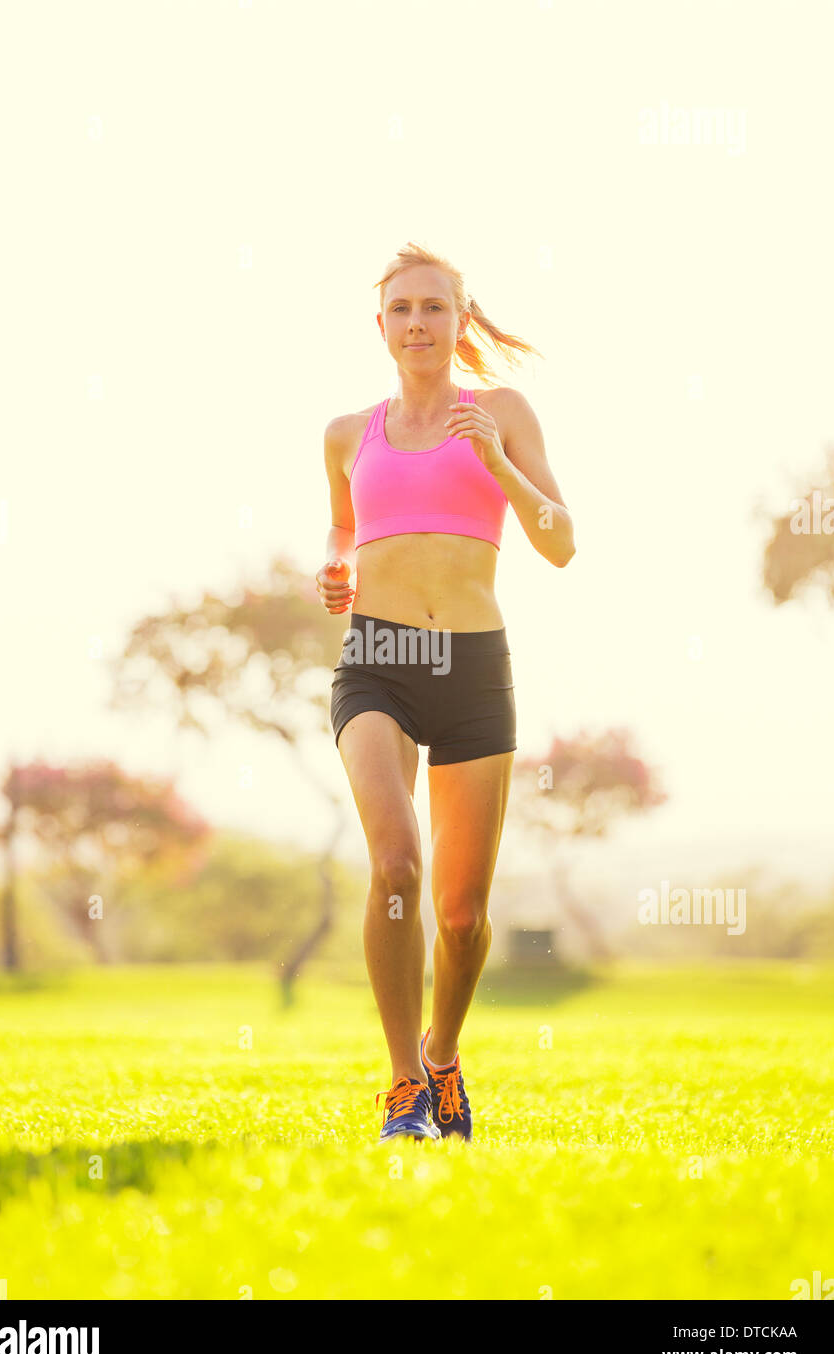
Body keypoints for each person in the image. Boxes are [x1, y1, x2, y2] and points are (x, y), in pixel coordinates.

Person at [316, 241, 575, 1143]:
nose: (417, 322)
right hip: (377, 659)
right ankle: (402, 1090)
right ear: (380, 326)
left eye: (434, 307)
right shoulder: (347, 433)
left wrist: (497, 462)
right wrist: (336, 566)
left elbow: (560, 541)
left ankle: (441, 1056)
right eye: (402, 308)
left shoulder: (500, 411)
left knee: (462, 917)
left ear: (460, 321)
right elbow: (343, 528)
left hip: (471, 666)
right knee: (395, 866)